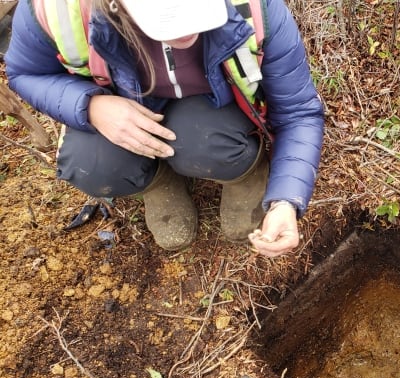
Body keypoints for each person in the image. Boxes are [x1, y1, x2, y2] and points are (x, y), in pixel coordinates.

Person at [5, 0, 324, 254]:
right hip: (122, 102)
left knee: (206, 143)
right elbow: (27, 74)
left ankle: (243, 175)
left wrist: (286, 199)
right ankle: (158, 185)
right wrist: (90, 105)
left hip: (213, 111)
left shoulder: (256, 8)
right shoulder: (56, 9)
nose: (187, 31)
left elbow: (298, 112)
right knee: (91, 164)